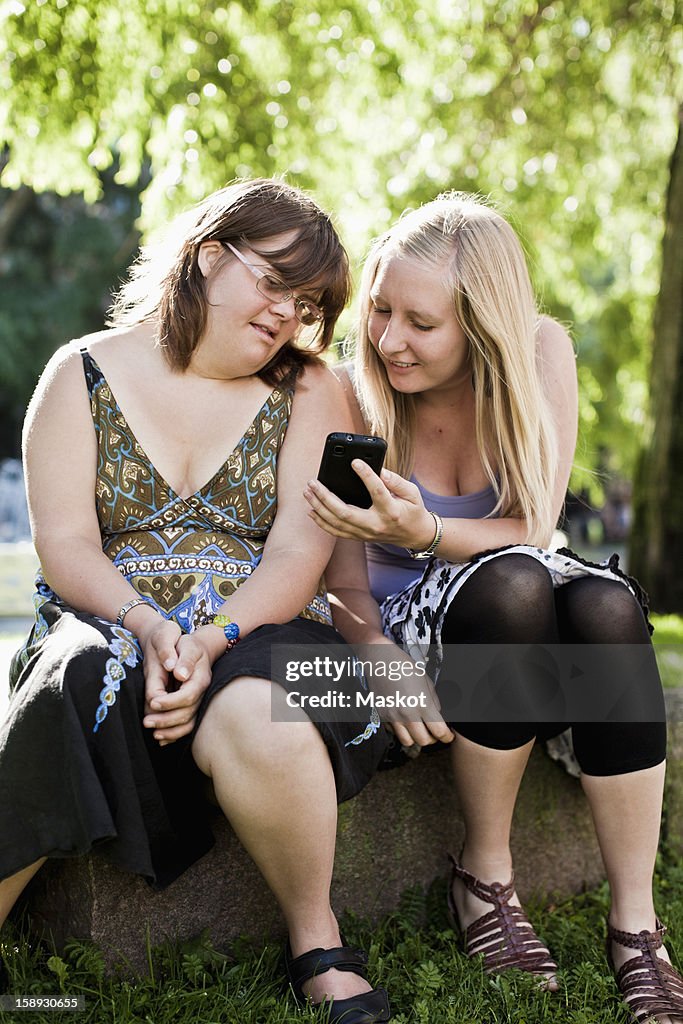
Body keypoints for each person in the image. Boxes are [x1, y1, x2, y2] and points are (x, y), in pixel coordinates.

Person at [0, 178, 391, 1024]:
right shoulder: (82, 371)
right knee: (78, 677)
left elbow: (299, 549)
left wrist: (209, 637)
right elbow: (66, 544)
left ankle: (318, 943)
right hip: (103, 614)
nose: (288, 316)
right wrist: (145, 626)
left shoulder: (312, 390)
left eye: (308, 304)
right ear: (210, 256)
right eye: (274, 283)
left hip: (260, 619)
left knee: (259, 704)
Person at [305, 192, 683, 1024]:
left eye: (419, 323)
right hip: (413, 626)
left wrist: (425, 528)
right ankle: (482, 876)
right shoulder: (344, 389)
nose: (388, 339)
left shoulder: (540, 351)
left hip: (514, 609)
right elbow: (339, 576)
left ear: (481, 325)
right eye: (379, 311)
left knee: (607, 606)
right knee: (513, 586)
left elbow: (535, 524)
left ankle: (636, 924)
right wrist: (373, 653)